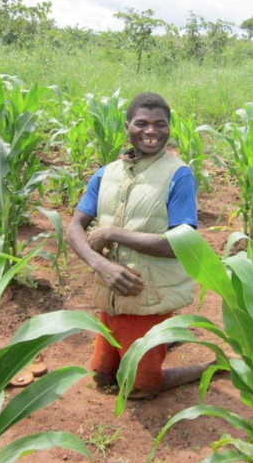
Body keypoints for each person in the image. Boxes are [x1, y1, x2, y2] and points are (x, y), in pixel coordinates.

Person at [66, 92, 214, 399]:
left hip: (148, 295)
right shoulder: (107, 173)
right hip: (111, 296)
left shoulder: (178, 175)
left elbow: (180, 244)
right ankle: (162, 343)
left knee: (138, 390)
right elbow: (73, 229)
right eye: (142, 123)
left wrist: (112, 233)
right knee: (103, 378)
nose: (151, 131)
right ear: (127, 127)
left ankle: (205, 367)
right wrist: (101, 265)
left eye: (160, 124)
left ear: (170, 128)